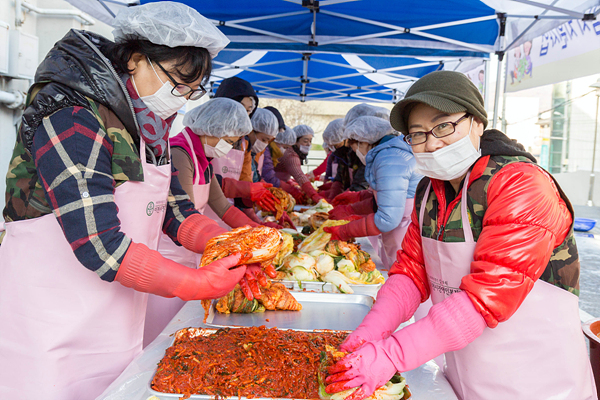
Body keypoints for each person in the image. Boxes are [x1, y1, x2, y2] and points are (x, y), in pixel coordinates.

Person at [0, 3, 256, 398]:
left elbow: (174, 208)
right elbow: (98, 241)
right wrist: (193, 281)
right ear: (136, 59)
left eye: (192, 90)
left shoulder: (146, 124)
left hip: (115, 317)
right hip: (49, 321)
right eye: (178, 82)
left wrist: (227, 244)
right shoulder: (70, 113)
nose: (183, 98)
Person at [324, 71, 596, 400]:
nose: (432, 142)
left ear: (477, 123)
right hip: (463, 378)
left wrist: (392, 354)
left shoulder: (520, 185)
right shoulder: (429, 193)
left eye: (443, 126)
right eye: (418, 134)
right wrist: (372, 329)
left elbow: (484, 300)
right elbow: (411, 271)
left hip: (537, 385)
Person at [144, 98, 281, 346]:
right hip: (169, 252)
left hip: (195, 250)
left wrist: (260, 235)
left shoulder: (204, 158)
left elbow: (224, 208)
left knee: (184, 328)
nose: (229, 149)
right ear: (211, 130)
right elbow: (183, 212)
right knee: (162, 333)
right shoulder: (179, 153)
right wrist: (235, 245)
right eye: (228, 142)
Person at [324, 116, 422, 268]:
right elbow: (385, 198)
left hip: (405, 235)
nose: (354, 151)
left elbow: (388, 219)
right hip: (400, 231)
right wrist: (355, 201)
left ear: (363, 141)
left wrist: (345, 230)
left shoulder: (389, 158)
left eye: (354, 146)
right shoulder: (387, 154)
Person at [325, 104, 388, 201]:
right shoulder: (352, 153)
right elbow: (341, 177)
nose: (351, 146)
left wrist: (350, 203)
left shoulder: (383, 157)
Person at [274, 124, 324, 204]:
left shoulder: (293, 152)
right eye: (305, 141)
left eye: (310, 141)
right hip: (273, 186)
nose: (308, 144)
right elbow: (299, 175)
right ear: (295, 141)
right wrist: (313, 195)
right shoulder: (291, 154)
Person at [317, 118, 345, 195]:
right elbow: (337, 179)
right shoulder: (333, 156)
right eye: (331, 146)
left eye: (336, 145)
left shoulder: (354, 156)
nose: (335, 149)